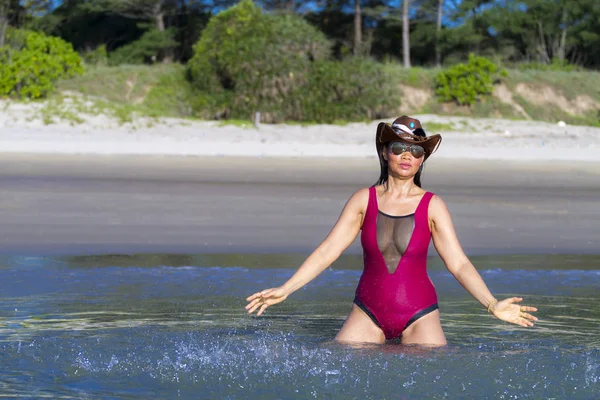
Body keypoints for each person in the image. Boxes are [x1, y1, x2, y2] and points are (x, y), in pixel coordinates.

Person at [245, 116, 538, 346]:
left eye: (416, 150)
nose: (407, 155)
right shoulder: (363, 200)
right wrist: (286, 288)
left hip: (420, 314)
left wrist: (491, 304)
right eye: (399, 147)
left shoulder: (432, 205)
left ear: (423, 158)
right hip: (367, 312)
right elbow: (327, 252)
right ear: (385, 152)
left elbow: (458, 263)